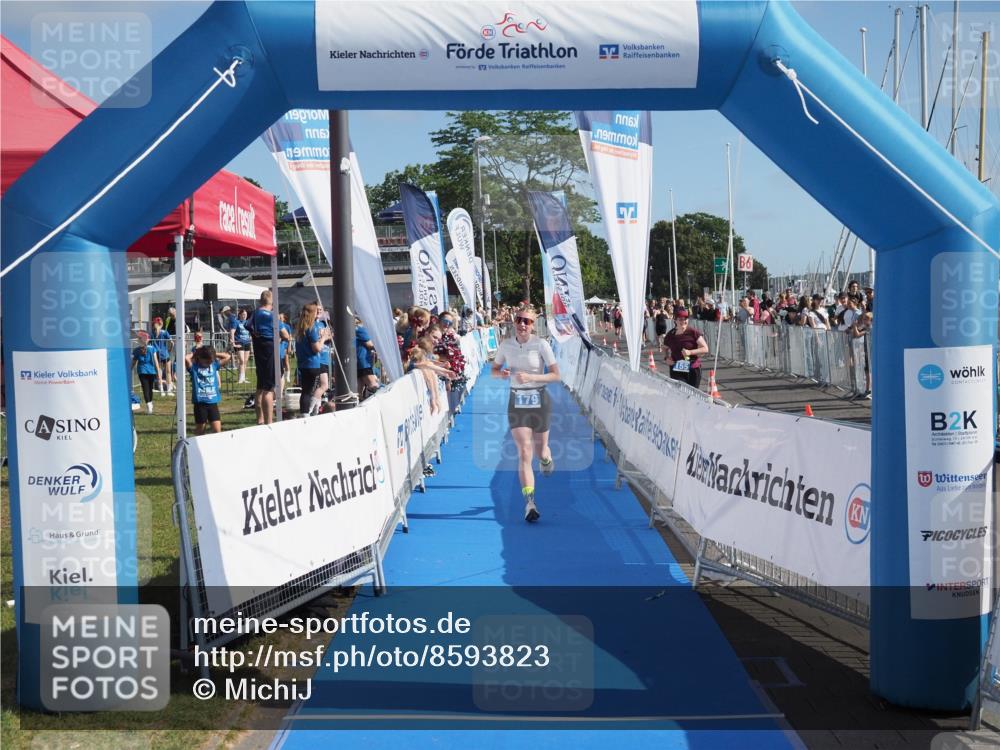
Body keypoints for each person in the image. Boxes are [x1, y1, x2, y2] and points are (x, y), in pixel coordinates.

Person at [491, 307, 560, 523]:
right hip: (517, 401)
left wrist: (532, 377)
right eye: (519, 320)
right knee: (524, 452)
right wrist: (501, 375)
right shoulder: (506, 345)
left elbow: (556, 375)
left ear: (533, 325)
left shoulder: (541, 344)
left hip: (539, 400)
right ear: (514, 322)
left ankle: (547, 459)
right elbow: (494, 370)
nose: (522, 324)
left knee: (540, 451)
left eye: (527, 322)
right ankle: (530, 503)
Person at [249, 290, 289, 425]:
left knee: (260, 386)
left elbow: (247, 326)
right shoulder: (272, 316)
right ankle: (269, 422)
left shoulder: (255, 313)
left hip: (258, 348)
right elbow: (285, 335)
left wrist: (257, 335)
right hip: (269, 350)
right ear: (272, 301)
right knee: (269, 388)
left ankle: (260, 419)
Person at [184, 345, 231, 435]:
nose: (208, 363)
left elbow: (227, 356)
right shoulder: (194, 368)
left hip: (212, 403)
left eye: (210, 361)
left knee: (217, 430)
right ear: (200, 358)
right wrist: (196, 353)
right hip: (200, 403)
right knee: (200, 429)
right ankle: (195, 446)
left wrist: (214, 353)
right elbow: (186, 358)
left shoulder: (214, 365)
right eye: (206, 360)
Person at [295, 302, 332, 416]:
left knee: (306, 391)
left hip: (303, 363)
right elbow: (317, 348)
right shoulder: (312, 328)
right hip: (312, 363)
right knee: (307, 391)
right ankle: (306, 413)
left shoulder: (301, 327)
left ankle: (310, 411)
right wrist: (324, 338)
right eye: (317, 311)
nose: (319, 313)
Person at [662, 307, 709, 389]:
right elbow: (664, 347)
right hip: (676, 368)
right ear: (675, 320)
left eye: (685, 319)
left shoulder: (693, 332)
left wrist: (690, 352)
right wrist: (666, 358)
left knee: (692, 394)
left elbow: (705, 348)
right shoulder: (670, 334)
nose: (683, 321)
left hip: (692, 368)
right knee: (680, 392)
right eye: (680, 319)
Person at [132, 331, 160, 414]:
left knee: (145, 389)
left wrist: (129, 370)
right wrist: (158, 373)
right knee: (150, 389)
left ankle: (149, 404)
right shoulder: (152, 349)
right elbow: (156, 362)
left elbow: (133, 362)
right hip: (151, 371)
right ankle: (150, 404)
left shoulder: (136, 350)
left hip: (142, 371)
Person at [356, 318, 379, 401]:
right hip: (363, 362)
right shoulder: (360, 329)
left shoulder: (355, 329)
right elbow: (369, 344)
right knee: (373, 386)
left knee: (359, 388)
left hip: (358, 361)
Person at [227, 308, 252, 384]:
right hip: (238, 342)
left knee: (245, 361)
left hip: (247, 342)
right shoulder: (236, 322)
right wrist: (232, 342)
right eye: (243, 314)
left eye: (246, 314)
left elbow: (251, 332)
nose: (245, 316)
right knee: (241, 360)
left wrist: (251, 338)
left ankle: (243, 378)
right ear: (240, 315)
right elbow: (232, 331)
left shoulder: (248, 322)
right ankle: (240, 378)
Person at [150, 317, 174, 394]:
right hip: (165, 354)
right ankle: (169, 390)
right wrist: (170, 349)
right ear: (161, 323)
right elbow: (172, 342)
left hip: (156, 354)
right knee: (168, 372)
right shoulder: (164, 332)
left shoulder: (152, 333)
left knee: (159, 372)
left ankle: (161, 391)